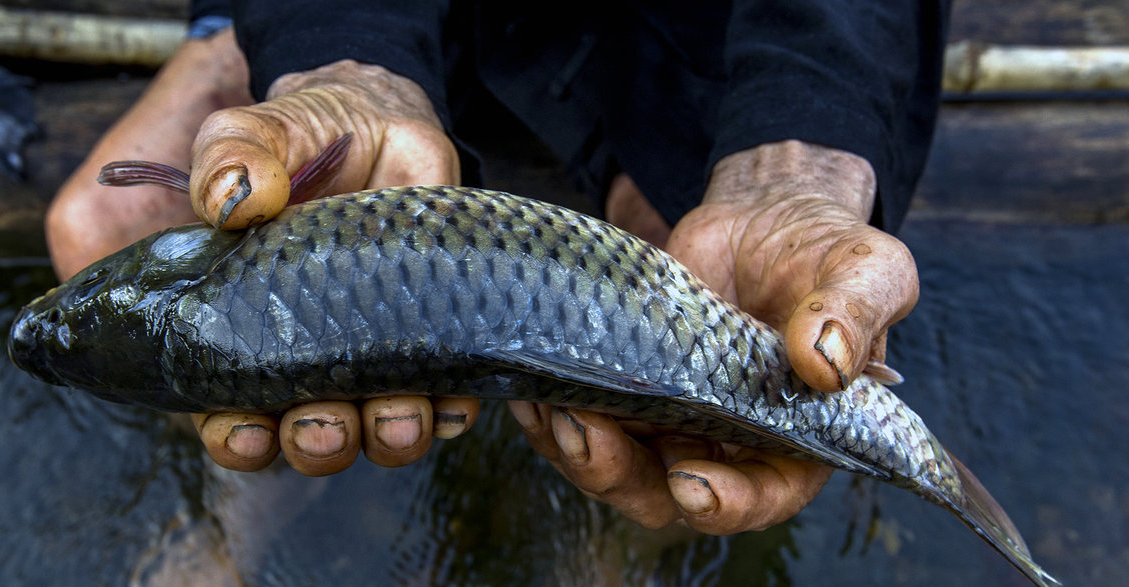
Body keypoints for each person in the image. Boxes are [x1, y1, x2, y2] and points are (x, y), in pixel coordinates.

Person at [46, 1, 943, 537]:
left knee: (699, 275)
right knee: (94, 225)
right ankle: (231, 41)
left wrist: (799, 135)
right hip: (424, 26)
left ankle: (619, 581)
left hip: (691, 38)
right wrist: (339, 52)